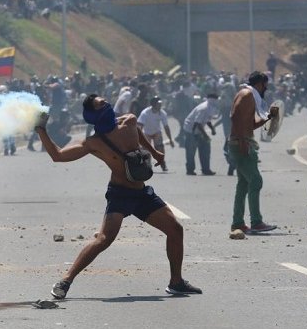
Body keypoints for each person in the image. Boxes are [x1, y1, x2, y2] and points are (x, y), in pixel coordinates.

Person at [35, 94, 201, 299]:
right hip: (120, 194)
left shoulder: (129, 121)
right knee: (104, 239)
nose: (106, 106)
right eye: (100, 106)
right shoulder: (94, 143)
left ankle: (176, 282)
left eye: (106, 103)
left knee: (175, 229)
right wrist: (41, 129)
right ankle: (66, 280)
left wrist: (154, 152)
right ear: (92, 115)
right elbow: (58, 156)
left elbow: (137, 133)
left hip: (141, 193)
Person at [228, 71, 278, 234]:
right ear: (260, 84)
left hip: (241, 141)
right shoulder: (247, 94)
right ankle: (256, 222)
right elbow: (235, 116)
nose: (266, 88)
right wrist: (242, 140)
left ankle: (238, 223)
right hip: (241, 143)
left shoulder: (248, 95)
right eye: (265, 85)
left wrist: (268, 117)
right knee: (256, 181)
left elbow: (249, 125)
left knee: (243, 184)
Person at [183, 93, 219, 175]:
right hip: (190, 129)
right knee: (191, 151)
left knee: (205, 148)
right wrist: (205, 135)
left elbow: (207, 120)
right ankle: (190, 170)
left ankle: (206, 169)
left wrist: (212, 129)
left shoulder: (211, 107)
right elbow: (198, 123)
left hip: (198, 130)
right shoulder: (204, 108)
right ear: (212, 99)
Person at [137, 96, 174, 172]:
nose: (160, 105)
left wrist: (170, 139)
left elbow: (166, 127)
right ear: (153, 104)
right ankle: (147, 165)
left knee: (160, 149)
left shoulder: (162, 113)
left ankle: (162, 163)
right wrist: (138, 139)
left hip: (157, 132)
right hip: (146, 133)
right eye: (158, 104)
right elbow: (140, 126)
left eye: (160, 104)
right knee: (146, 150)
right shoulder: (145, 113)